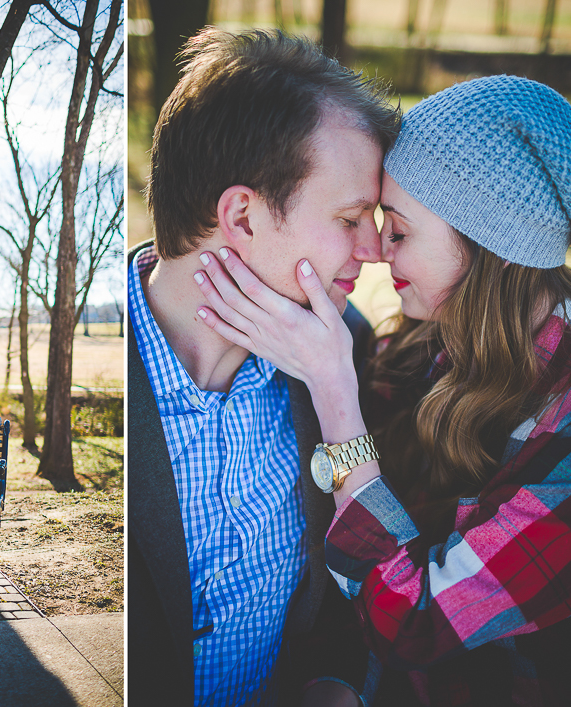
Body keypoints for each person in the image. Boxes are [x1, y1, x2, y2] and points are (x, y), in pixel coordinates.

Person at [195, 75, 571, 705]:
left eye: (398, 231)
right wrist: (337, 680)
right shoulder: (413, 352)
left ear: (495, 246)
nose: (376, 252)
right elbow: (355, 573)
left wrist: (335, 396)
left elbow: (414, 621)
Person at [128, 27, 401, 706]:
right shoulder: (112, 374)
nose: (373, 249)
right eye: (350, 218)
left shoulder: (343, 352)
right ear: (243, 216)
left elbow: (345, 602)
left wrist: (335, 684)